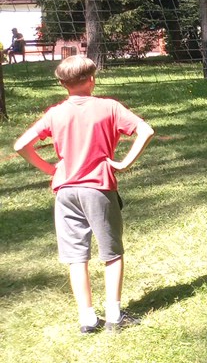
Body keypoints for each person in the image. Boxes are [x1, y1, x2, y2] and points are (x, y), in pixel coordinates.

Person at [12, 55, 155, 333]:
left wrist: (51, 170)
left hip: (65, 192)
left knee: (76, 256)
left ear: (62, 84)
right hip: (98, 188)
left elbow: (21, 145)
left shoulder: (55, 113)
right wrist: (125, 163)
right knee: (112, 253)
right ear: (92, 79)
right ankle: (114, 315)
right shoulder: (109, 107)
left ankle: (87, 319)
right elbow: (145, 130)